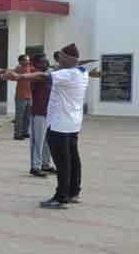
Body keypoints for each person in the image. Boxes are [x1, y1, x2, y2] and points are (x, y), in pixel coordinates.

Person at [6, 44, 89, 209]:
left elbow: (43, 76)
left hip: (59, 124)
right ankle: (74, 192)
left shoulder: (67, 74)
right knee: (73, 158)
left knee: (63, 162)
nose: (57, 61)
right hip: (72, 123)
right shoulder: (82, 72)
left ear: (66, 59)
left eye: (61, 57)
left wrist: (18, 76)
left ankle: (61, 197)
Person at [25, 54, 56, 178]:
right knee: (38, 141)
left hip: (49, 113)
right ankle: (35, 167)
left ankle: (46, 164)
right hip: (38, 112)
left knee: (48, 141)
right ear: (36, 64)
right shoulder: (36, 75)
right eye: (43, 62)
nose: (46, 63)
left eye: (47, 61)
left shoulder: (49, 74)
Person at [13, 54, 34, 140]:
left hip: (30, 95)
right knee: (19, 116)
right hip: (21, 96)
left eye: (28, 60)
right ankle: (17, 133)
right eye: (25, 60)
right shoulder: (18, 69)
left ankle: (25, 132)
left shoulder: (30, 68)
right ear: (20, 61)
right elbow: (13, 77)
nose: (28, 61)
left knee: (28, 116)